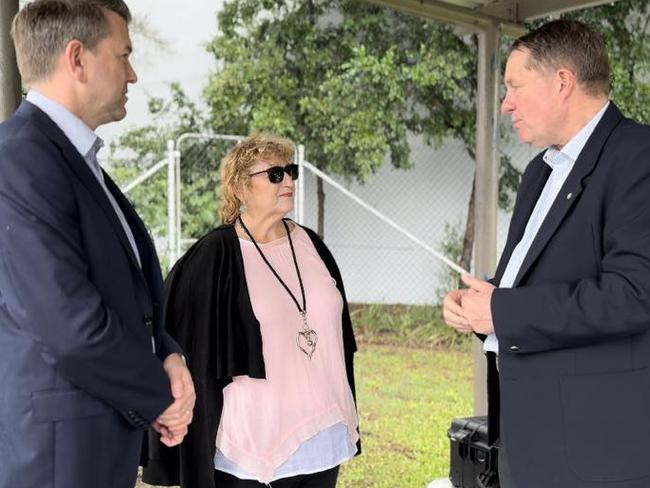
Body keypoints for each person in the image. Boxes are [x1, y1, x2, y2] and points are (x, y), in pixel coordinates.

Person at [443, 19, 650, 488]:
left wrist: (502, 310)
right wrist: (482, 305)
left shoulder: (639, 155)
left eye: (515, 86)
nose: (505, 104)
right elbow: (530, 289)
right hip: (531, 445)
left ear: (562, 82)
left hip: (599, 453)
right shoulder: (540, 171)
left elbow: (635, 294)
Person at [0, 2, 195, 488]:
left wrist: (167, 353)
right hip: (56, 462)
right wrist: (160, 395)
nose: (132, 74)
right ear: (77, 58)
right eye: (123, 54)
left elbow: (123, 294)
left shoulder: (73, 160)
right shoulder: (19, 159)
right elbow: (67, 326)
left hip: (90, 445)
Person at [143, 133, 360, 488]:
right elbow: (179, 341)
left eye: (290, 171)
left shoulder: (310, 244)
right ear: (241, 188)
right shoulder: (215, 254)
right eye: (275, 174)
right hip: (253, 442)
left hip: (325, 429)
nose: (288, 180)